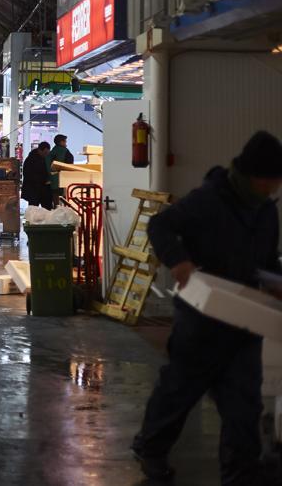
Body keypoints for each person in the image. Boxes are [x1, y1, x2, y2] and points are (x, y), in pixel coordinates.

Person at [132, 131, 282, 483]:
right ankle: (150, 448)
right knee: (179, 392)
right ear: (254, 176)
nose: (275, 187)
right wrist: (179, 262)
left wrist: (276, 282)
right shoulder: (209, 200)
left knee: (243, 404)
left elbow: (266, 260)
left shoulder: (265, 212)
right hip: (201, 319)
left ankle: (240, 472)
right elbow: (161, 225)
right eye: (272, 179)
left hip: (243, 319)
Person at [21, 142, 53, 209]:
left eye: (47, 153)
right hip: (33, 189)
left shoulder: (45, 159)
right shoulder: (31, 159)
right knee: (34, 210)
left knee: (47, 209)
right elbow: (28, 174)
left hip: (44, 189)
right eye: (45, 152)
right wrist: (43, 179)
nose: (46, 154)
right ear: (40, 150)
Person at [48, 134, 74, 203]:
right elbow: (66, 165)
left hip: (53, 181)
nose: (66, 144)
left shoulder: (53, 151)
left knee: (55, 200)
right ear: (61, 142)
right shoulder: (62, 151)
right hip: (61, 179)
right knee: (62, 201)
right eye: (65, 142)